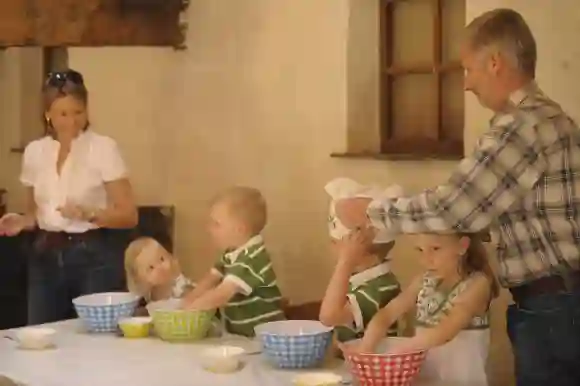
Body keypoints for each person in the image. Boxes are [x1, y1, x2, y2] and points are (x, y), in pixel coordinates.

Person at [335, 8, 580, 386]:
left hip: (554, 307)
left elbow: (454, 207)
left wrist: (372, 212)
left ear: (495, 63)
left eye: (469, 69)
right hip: (559, 302)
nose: (466, 84)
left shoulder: (522, 126)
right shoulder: (552, 119)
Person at [0, 69, 137, 325]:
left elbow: (129, 215)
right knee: (41, 334)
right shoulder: (35, 152)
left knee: (95, 339)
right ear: (48, 114)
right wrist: (21, 221)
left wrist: (92, 214)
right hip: (45, 255)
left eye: (78, 112)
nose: (72, 121)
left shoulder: (103, 148)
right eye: (63, 114)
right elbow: (35, 213)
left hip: (93, 256)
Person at [345, 232, 497, 385]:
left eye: (435, 249)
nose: (426, 260)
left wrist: (400, 351)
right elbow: (386, 315)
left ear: (462, 246)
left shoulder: (478, 284)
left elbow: (446, 330)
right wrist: (365, 350)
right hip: (428, 380)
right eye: (420, 250)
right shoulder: (424, 281)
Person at [180, 186, 285, 337]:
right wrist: (186, 301)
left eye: (216, 224)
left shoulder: (252, 257)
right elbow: (209, 281)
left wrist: (188, 312)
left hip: (263, 338)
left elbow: (222, 294)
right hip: (242, 335)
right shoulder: (230, 254)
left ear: (239, 229)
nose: (209, 229)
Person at [319, 178, 401, 346]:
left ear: (358, 249)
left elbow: (329, 316)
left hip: (371, 368)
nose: (330, 247)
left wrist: (345, 263)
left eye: (335, 243)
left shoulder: (377, 289)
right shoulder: (360, 280)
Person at [124, 237, 194, 302]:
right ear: (140, 279)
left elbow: (192, 294)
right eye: (151, 267)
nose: (160, 268)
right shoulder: (147, 293)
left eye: (162, 259)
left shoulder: (178, 281)